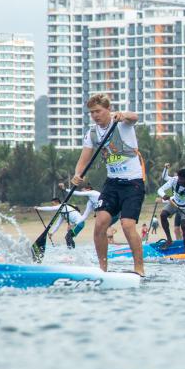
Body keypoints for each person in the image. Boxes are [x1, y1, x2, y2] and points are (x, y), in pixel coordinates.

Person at [72, 94, 145, 275]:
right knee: (100, 224)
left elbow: (134, 117)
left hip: (133, 183)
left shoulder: (121, 123)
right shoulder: (92, 134)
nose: (95, 115)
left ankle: (139, 269)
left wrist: (123, 115)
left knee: (128, 225)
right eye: (92, 113)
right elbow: (83, 160)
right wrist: (77, 175)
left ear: (108, 109)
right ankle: (102, 269)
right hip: (112, 184)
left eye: (98, 111)